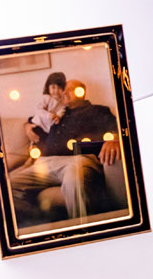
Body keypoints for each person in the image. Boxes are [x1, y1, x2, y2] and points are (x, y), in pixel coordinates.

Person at [9, 78, 122, 221]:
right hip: (44, 163)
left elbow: (114, 125)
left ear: (82, 92)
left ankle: (84, 230)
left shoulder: (96, 110)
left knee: (75, 180)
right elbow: (34, 119)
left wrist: (114, 139)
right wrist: (27, 127)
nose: (64, 93)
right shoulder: (58, 113)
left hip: (76, 160)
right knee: (8, 186)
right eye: (64, 90)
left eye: (71, 90)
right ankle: (39, 224)